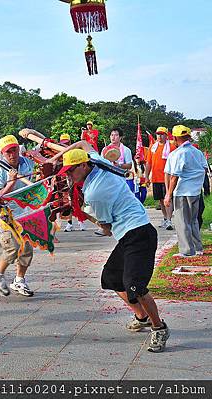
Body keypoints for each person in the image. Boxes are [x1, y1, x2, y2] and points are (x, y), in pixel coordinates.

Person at [48, 141, 170, 353]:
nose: (69, 175)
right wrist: (54, 154)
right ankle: (142, 317)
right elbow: (84, 143)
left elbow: (106, 228)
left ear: (84, 166)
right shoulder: (100, 162)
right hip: (129, 235)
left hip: (139, 233)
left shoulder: (95, 192)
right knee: (111, 279)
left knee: (136, 287)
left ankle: (159, 327)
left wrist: (83, 212)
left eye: (71, 170)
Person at [0, 134, 35, 297]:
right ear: (3, 153)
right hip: (4, 213)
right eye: (8, 152)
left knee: (27, 248)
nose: (12, 155)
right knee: (13, 247)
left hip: (24, 212)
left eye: (14, 150)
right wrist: (10, 182)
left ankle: (19, 280)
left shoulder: (27, 162)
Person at [164, 125, 208, 258]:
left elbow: (174, 176)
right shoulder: (197, 152)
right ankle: (197, 247)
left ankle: (187, 251)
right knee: (193, 220)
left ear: (176, 138)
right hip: (196, 191)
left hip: (182, 191)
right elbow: (205, 169)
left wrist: (168, 194)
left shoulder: (178, 154)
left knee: (182, 221)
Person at [145, 127, 176, 230]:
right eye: (158, 134)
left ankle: (169, 220)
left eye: (162, 134)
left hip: (167, 178)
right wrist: (146, 177)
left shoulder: (171, 147)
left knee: (168, 199)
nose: (159, 136)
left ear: (166, 135)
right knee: (161, 200)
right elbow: (148, 163)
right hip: (156, 178)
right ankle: (165, 218)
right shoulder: (152, 147)